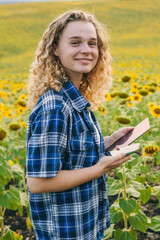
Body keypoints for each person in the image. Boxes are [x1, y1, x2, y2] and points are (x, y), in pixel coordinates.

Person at [26, 10, 133, 240]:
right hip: (66, 231)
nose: (86, 50)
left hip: (84, 224)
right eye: (75, 42)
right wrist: (100, 168)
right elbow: (38, 182)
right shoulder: (56, 106)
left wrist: (109, 141)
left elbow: (69, 153)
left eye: (92, 43)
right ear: (55, 49)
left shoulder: (72, 99)